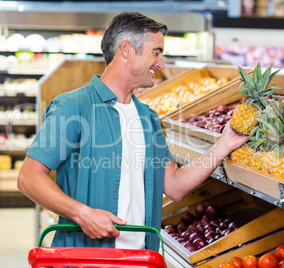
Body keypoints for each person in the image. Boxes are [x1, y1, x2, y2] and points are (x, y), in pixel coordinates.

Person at [17, 11, 247, 252]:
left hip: (140, 258)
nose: (161, 64)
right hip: (85, 259)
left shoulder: (148, 118)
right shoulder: (72, 106)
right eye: (156, 53)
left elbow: (175, 187)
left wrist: (222, 147)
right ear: (126, 50)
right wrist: (83, 214)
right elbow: (28, 178)